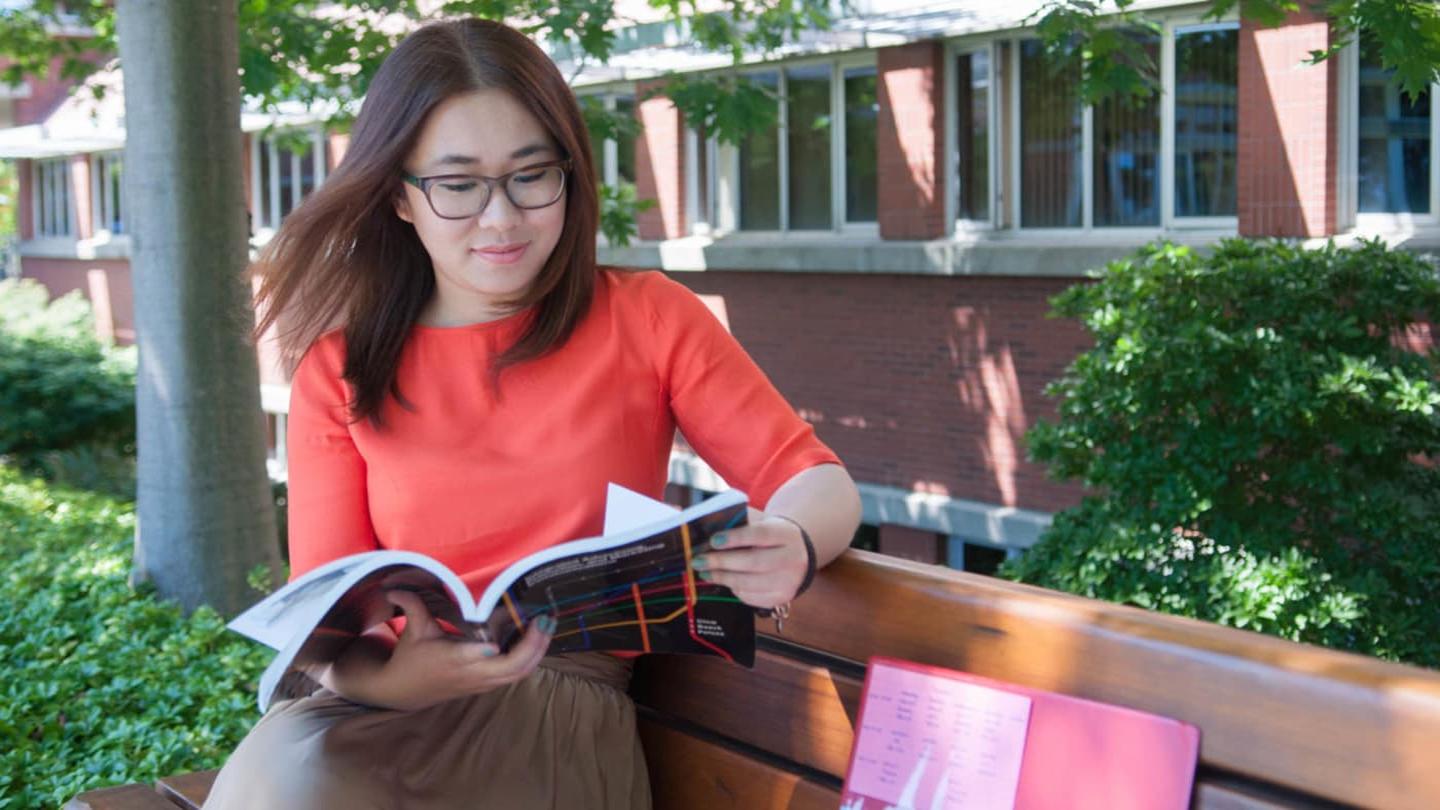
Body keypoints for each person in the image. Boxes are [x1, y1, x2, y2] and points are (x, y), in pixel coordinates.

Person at [202, 16, 861, 810]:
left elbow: (817, 480)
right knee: (290, 786)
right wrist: (400, 676)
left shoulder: (648, 317)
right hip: (376, 713)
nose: (502, 218)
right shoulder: (340, 368)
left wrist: (791, 539)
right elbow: (330, 624)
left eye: (530, 174)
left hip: (556, 715)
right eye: (457, 185)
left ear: (570, 173)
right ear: (400, 199)